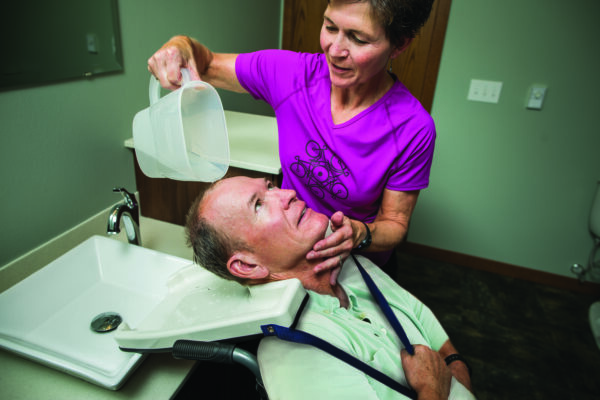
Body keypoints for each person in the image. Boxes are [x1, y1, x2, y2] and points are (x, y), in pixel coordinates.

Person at [148, 0, 437, 279]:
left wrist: (362, 233)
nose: (335, 50)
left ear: (399, 45)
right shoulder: (290, 74)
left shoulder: (412, 128)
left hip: (359, 268)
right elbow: (205, 63)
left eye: (358, 39)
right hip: (289, 261)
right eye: (330, 26)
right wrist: (180, 44)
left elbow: (395, 224)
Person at [185, 176, 475, 399]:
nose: (288, 193)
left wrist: (455, 363)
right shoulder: (291, 354)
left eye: (271, 186)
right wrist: (433, 390)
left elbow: (415, 312)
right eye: (259, 204)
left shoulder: (344, 260)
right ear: (248, 266)